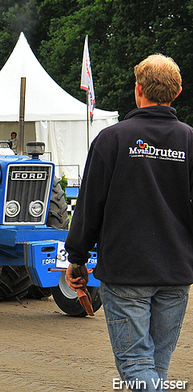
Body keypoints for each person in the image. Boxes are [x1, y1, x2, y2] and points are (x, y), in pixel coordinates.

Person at [65, 54, 191, 391]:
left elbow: (89, 207)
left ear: (137, 90)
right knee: (155, 370)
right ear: (176, 93)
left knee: (137, 367)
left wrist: (76, 258)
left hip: (126, 273)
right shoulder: (189, 142)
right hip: (175, 275)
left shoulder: (113, 140)